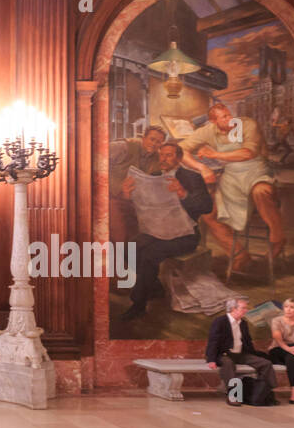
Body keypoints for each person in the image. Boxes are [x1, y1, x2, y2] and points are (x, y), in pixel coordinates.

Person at [179, 102, 284, 272]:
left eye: (229, 114)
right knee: (208, 213)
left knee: (261, 191)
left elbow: (248, 153)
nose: (230, 119)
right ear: (213, 121)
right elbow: (180, 149)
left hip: (257, 171)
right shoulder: (207, 131)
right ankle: (239, 255)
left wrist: (215, 154)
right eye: (225, 117)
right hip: (232, 177)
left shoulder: (248, 124)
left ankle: (277, 240)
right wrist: (202, 168)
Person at [119, 141, 213, 320]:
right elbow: (140, 205)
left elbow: (206, 206)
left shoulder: (192, 177)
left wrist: (182, 193)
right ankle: (154, 288)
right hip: (158, 230)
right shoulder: (153, 176)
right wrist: (127, 194)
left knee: (149, 255)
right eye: (161, 155)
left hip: (185, 234)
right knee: (128, 249)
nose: (164, 159)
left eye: (168, 155)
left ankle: (138, 304)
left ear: (178, 158)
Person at [205, 296, 279, 406]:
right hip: (223, 354)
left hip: (241, 354)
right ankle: (233, 396)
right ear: (233, 309)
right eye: (243, 308)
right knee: (228, 364)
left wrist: (255, 355)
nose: (246, 310)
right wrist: (211, 359)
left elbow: (247, 342)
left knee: (265, 363)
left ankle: (265, 392)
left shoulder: (243, 323)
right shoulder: (220, 321)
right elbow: (213, 341)